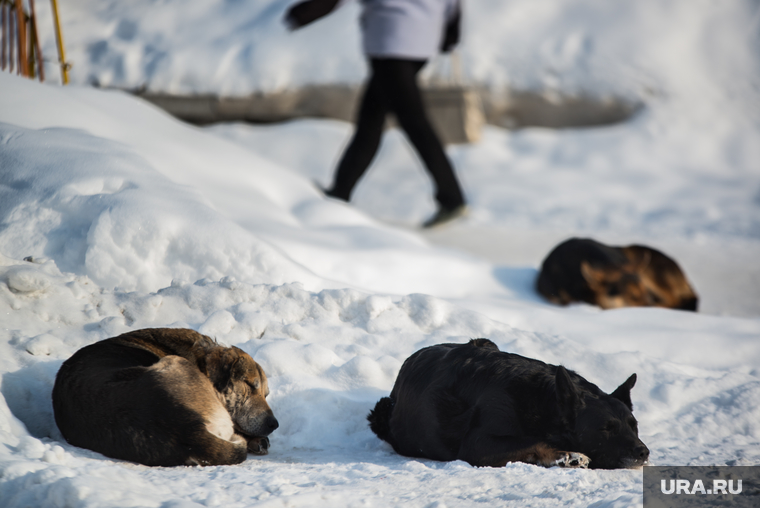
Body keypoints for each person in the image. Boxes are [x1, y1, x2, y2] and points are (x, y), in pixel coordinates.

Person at [285, 0, 468, 228]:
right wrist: (450, 36)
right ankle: (340, 192)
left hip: (391, 43)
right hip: (421, 43)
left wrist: (303, 13)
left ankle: (452, 198)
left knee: (413, 124)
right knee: (371, 120)